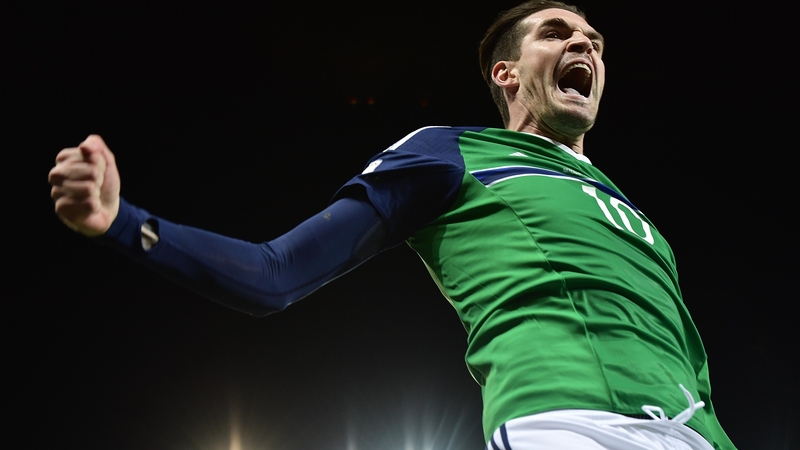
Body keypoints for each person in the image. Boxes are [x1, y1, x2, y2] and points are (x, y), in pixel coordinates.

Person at [48, 1, 736, 449]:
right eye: (556, 33)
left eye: (594, 40)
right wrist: (124, 223)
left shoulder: (634, 215)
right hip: (570, 425)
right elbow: (274, 274)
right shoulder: (452, 151)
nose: (583, 44)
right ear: (505, 71)